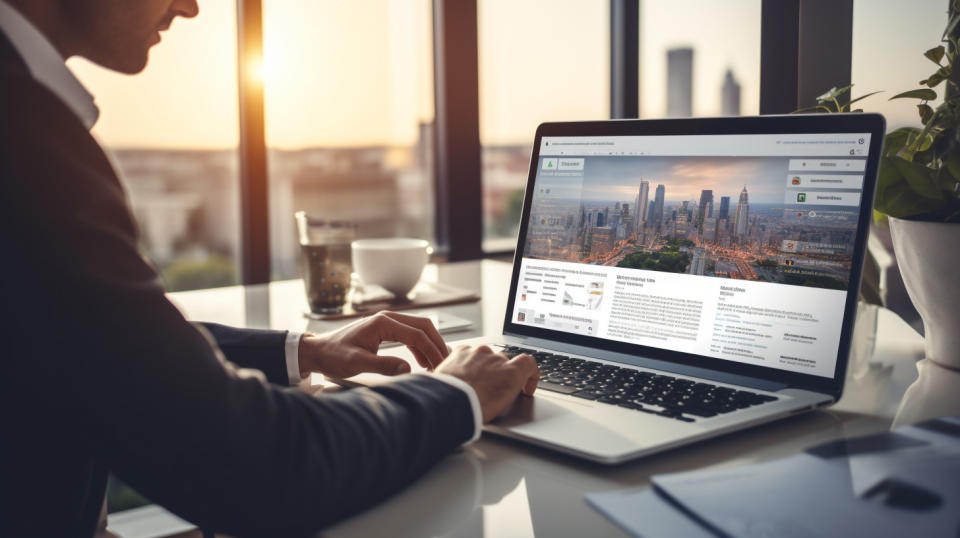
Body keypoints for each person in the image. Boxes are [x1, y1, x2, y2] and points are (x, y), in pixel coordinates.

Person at [0, 1, 539, 536]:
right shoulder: (26, 134)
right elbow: (255, 466)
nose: (189, 7)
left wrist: (306, 350)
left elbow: (103, 343)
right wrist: (454, 393)